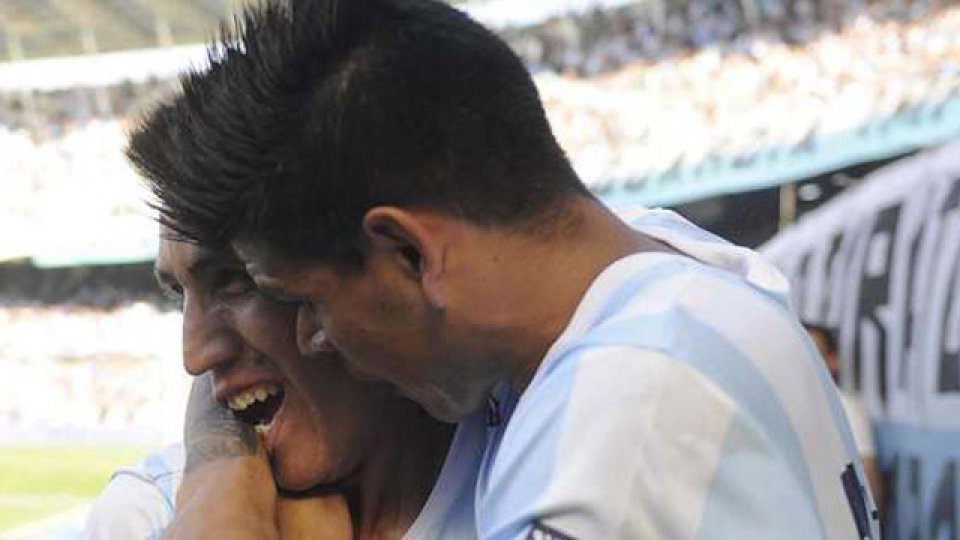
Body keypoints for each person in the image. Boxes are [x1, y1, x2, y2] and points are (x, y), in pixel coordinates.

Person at [127, 0, 881, 537]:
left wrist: (223, 511)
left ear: (410, 254)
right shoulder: (680, 272)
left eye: (309, 303)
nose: (317, 338)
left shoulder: (609, 451)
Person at [83, 234, 482, 539]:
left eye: (236, 279)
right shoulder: (149, 511)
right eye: (178, 294)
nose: (195, 357)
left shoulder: (522, 464)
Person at [804, 322, 884, 513]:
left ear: (833, 361)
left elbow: (869, 480)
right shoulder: (779, 402)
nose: (805, 363)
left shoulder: (847, 410)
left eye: (814, 355)